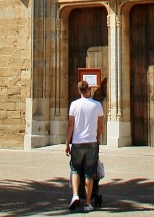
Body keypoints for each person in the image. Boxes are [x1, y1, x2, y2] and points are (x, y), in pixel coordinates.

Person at [65, 80, 104, 213]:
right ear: (89, 89)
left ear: (78, 91)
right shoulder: (97, 105)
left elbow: (70, 126)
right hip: (91, 143)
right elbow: (101, 126)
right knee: (89, 172)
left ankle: (75, 195)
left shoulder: (74, 105)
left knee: (75, 170)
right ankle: (88, 203)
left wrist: (66, 143)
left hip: (77, 142)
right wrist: (98, 137)